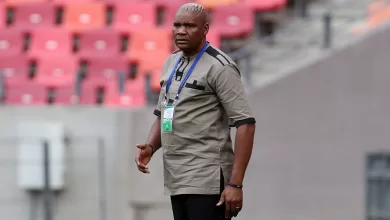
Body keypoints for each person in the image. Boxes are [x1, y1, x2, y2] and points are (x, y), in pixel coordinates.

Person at [135, 3, 256, 220]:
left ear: (205, 29)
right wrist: (151, 146)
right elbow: (164, 112)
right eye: (177, 25)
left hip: (207, 176)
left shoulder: (221, 67)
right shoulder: (171, 61)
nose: (181, 31)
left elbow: (245, 123)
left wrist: (235, 183)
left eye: (189, 26)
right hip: (176, 176)